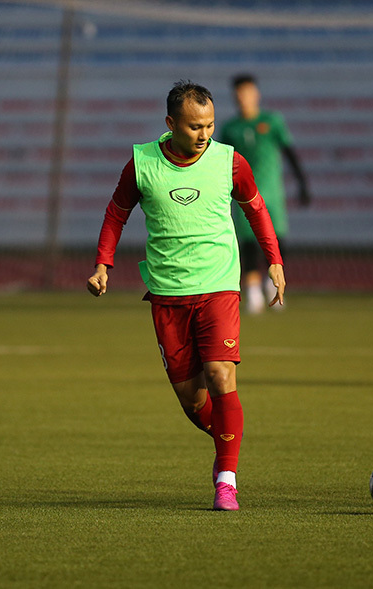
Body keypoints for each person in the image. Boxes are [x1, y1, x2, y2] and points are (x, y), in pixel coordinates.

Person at [86, 81, 286, 512]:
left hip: (218, 286)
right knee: (194, 402)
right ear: (171, 123)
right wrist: (104, 263)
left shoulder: (229, 161)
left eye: (210, 124)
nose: (204, 134)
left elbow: (255, 206)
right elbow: (116, 212)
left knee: (220, 375)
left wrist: (274, 259)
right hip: (167, 295)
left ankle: (226, 479)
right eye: (195, 126)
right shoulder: (142, 164)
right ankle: (227, 442)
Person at [220, 73, 310, 314]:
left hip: (271, 194)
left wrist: (302, 183)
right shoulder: (230, 129)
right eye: (239, 94)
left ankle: (273, 286)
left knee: (277, 242)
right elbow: (221, 163)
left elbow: (289, 152)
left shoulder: (273, 122)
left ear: (256, 94)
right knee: (248, 244)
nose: (244, 98)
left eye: (248, 92)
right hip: (243, 196)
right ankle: (253, 295)